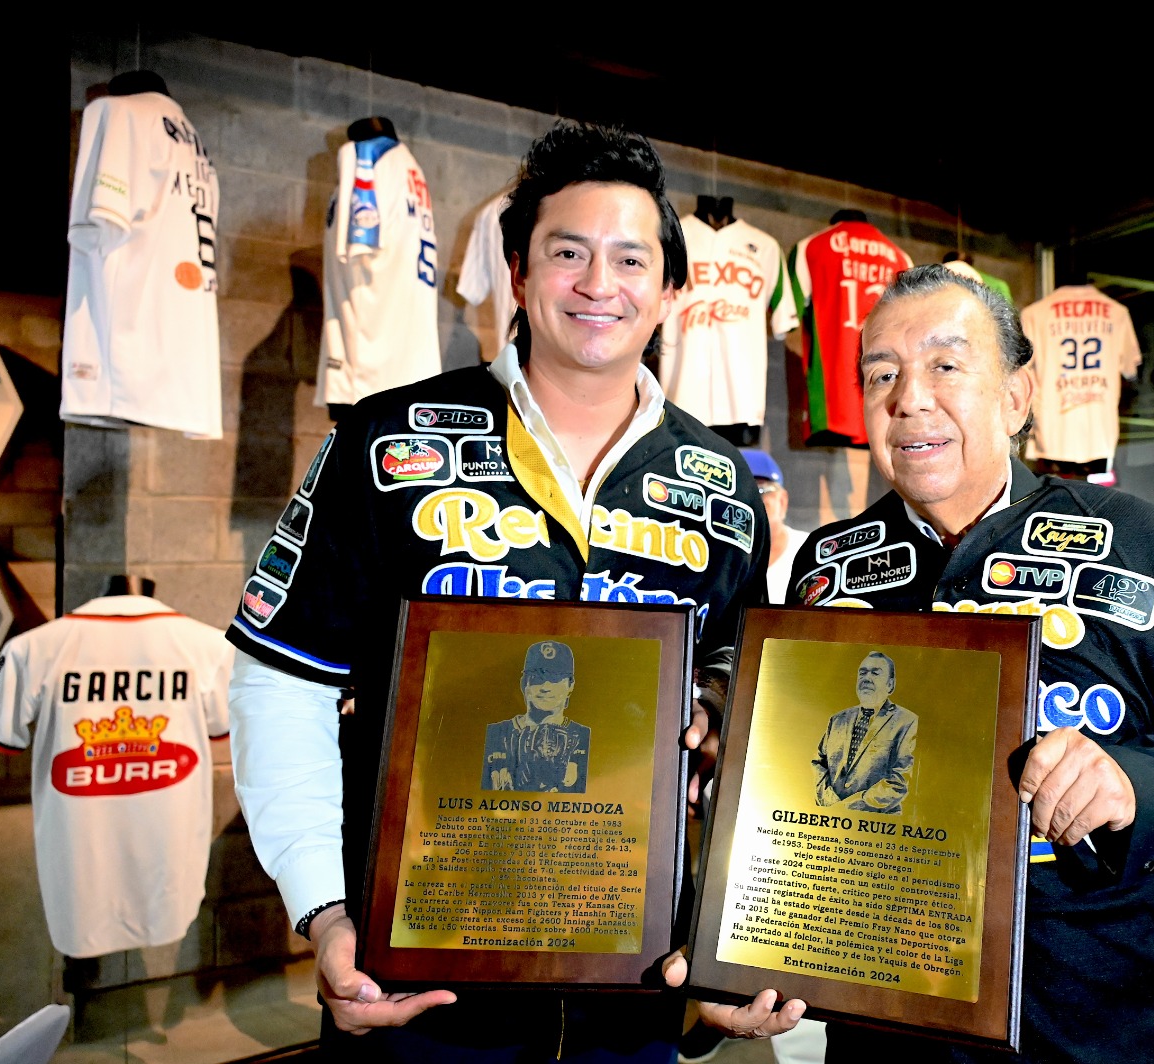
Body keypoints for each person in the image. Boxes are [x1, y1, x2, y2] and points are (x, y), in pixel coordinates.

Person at [226, 122, 800, 1062]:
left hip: (634, 1000)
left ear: (671, 291)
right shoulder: (384, 442)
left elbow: (749, 727)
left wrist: (750, 939)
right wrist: (325, 912)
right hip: (422, 990)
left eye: (629, 259)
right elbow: (279, 683)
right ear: (521, 275)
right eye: (566, 253)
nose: (597, 285)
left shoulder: (726, 489)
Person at [771, 264, 1154, 1062]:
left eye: (947, 366)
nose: (909, 397)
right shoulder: (827, 567)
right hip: (889, 1021)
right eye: (882, 373)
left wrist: (1131, 783)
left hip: (1102, 1016)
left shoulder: (1149, 548)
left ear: (1017, 397)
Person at [812, 651, 917, 814]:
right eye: (862, 673)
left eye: (875, 673)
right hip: (830, 817)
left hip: (876, 823)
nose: (866, 678)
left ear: (890, 684)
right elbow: (818, 763)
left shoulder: (907, 722)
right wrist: (827, 799)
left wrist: (852, 805)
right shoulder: (837, 719)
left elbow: (900, 781)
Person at [482, 640, 590, 793]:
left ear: (571, 685)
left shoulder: (585, 738)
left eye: (555, 678)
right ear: (523, 683)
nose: (546, 687)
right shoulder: (494, 734)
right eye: (537, 677)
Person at [740, 448, 805, 601]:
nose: (751, 503)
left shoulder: (807, 551)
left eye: (761, 490)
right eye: (739, 493)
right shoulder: (718, 557)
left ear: (782, 501)